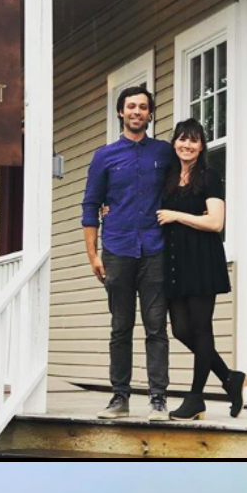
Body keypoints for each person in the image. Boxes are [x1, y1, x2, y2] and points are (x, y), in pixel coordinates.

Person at [80, 86, 174, 420]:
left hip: (155, 250)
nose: (137, 111)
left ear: (150, 114)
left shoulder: (164, 153)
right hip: (117, 249)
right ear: (121, 112)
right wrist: (93, 254)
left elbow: (183, 185)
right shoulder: (104, 156)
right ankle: (119, 397)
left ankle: (158, 399)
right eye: (131, 106)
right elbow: (91, 205)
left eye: (143, 107)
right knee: (120, 326)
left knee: (155, 327)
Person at [156, 118, 247, 419]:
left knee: (201, 328)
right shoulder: (169, 177)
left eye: (194, 140)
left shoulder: (209, 176)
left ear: (201, 146)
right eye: (182, 139)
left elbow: (216, 222)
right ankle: (229, 378)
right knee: (182, 329)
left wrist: (176, 215)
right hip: (173, 262)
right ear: (174, 143)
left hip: (201, 260)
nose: (187, 145)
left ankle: (196, 398)